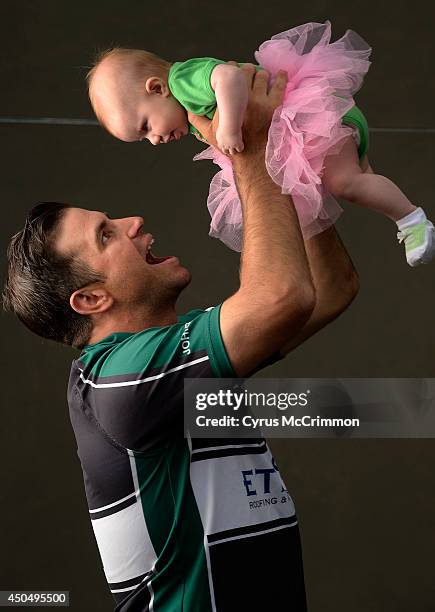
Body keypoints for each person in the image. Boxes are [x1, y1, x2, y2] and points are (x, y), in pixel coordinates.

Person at [3, 66, 358, 611]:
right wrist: (252, 148)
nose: (133, 220)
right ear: (91, 300)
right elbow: (282, 296)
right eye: (106, 234)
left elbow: (329, 290)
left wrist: (293, 165)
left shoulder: (175, 368)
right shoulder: (118, 381)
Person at [86, 21, 435, 265]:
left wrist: (231, 128)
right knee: (352, 183)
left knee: (346, 183)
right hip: (306, 127)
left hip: (310, 117)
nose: (155, 140)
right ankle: (404, 217)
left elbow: (229, 77)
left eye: (146, 126)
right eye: (144, 138)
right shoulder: (188, 109)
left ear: (156, 88)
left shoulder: (182, 81)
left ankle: (412, 220)